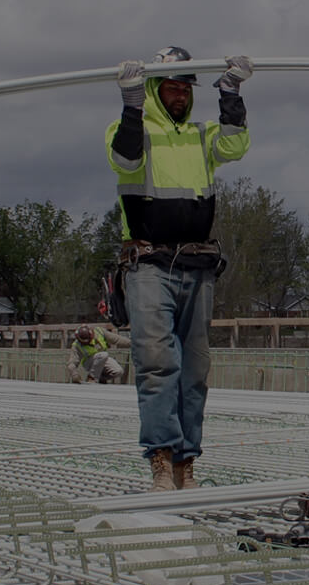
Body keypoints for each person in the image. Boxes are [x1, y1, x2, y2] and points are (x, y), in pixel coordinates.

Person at [106, 46, 252, 490]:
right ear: (154, 87)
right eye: (170, 86)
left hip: (197, 264)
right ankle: (162, 459)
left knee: (194, 370)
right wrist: (131, 103)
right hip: (149, 264)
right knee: (156, 363)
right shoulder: (131, 129)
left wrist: (231, 92)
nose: (178, 95)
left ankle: (188, 462)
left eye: (184, 88)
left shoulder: (201, 135)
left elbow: (235, 144)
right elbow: (126, 159)